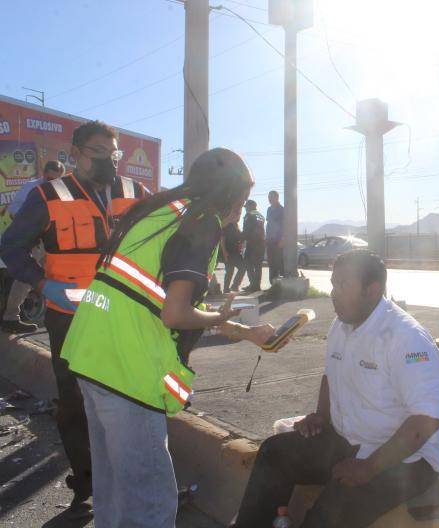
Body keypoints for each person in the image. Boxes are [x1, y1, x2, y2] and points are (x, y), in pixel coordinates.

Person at [59, 148, 276, 528]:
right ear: (225, 193)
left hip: (91, 356)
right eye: (240, 200)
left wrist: (243, 332)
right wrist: (219, 316)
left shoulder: (164, 211)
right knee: (151, 505)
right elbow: (176, 314)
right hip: (128, 370)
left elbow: (166, 303)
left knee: (113, 490)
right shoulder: (201, 222)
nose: (240, 211)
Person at [232, 250, 439, 528]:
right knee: (274, 453)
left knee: (330, 513)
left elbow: (425, 421)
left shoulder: (406, 339)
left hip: (404, 461)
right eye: (333, 284)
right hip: (348, 441)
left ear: (372, 290)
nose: (334, 293)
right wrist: (321, 416)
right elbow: (331, 377)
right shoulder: (341, 325)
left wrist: (369, 467)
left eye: (343, 285)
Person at [0, 121, 149, 519]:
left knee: (125, 399)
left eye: (113, 153)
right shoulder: (49, 196)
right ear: (75, 152)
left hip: (122, 318)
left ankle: (122, 479)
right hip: (70, 318)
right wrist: (40, 283)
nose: (109, 160)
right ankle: (86, 485)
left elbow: (163, 240)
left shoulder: (135, 193)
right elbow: (10, 247)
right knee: (74, 402)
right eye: (98, 151)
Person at [1, 160, 65, 334]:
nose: (51, 182)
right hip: (36, 240)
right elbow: (14, 210)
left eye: (55, 179)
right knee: (26, 277)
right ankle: (11, 318)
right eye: (49, 178)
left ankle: (60, 317)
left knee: (59, 276)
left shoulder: (62, 190)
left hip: (55, 241)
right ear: (43, 174)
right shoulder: (32, 188)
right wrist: (32, 229)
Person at [242, 199, 266, 292]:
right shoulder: (260, 215)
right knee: (258, 265)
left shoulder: (249, 215)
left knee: (248, 263)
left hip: (252, 243)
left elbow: (247, 230)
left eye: (246, 207)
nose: (245, 209)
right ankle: (256, 285)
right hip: (261, 243)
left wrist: (240, 239)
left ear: (251, 206)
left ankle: (253, 284)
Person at [221, 221, 245, 293]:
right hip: (229, 252)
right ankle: (226, 289)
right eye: (237, 214)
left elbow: (240, 239)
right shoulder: (227, 226)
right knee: (229, 271)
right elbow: (222, 240)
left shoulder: (237, 226)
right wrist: (224, 252)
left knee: (243, 267)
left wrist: (240, 244)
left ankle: (235, 285)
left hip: (236, 253)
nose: (238, 217)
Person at [266, 190, 284, 282]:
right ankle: (272, 284)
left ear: (276, 198)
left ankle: (280, 284)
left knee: (279, 263)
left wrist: (282, 239)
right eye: (269, 197)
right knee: (271, 263)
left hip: (278, 241)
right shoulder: (269, 210)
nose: (269, 199)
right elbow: (269, 224)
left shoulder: (282, 210)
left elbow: (285, 225)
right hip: (269, 240)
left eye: (271, 197)